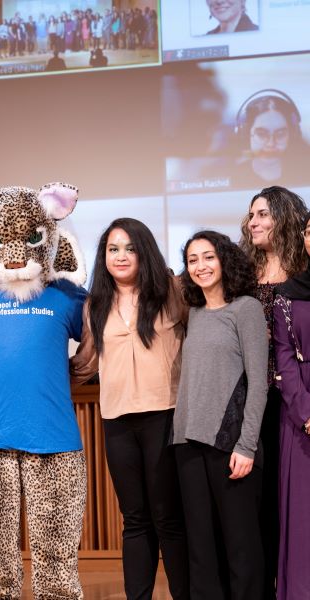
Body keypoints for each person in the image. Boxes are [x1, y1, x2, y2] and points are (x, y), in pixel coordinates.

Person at [0, 182, 87, 599]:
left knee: (58, 569)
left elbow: (102, 345)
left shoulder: (66, 295)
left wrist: (77, 372)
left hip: (55, 441)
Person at [70, 218, 189, 600]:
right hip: (117, 422)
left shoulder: (173, 291)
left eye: (129, 248)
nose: (120, 256)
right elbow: (86, 363)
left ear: (145, 251)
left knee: (168, 518)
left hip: (165, 415)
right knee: (135, 519)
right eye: (112, 249)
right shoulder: (95, 305)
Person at [173, 230, 268, 600]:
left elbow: (259, 383)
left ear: (224, 258)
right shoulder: (193, 313)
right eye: (193, 259)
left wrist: (246, 446)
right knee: (201, 547)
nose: (200, 266)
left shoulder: (246, 309)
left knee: (241, 545)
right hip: (186, 442)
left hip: (229, 443)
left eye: (208, 256)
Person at [239, 185, 308, 599]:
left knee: (293, 506)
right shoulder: (243, 273)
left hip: (294, 402)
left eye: (263, 214)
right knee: (259, 506)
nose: (254, 222)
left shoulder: (304, 274)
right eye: (252, 216)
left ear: (284, 216)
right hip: (252, 401)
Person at [272, 213, 310, 599]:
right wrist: (305, 412)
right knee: (302, 517)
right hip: (300, 416)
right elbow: (284, 356)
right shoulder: (288, 293)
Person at [231, 91, 310, 188]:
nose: (271, 144)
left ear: (292, 135)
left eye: (280, 134)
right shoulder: (233, 175)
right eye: (261, 134)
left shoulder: (303, 173)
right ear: (246, 134)